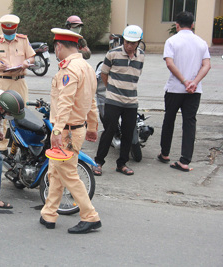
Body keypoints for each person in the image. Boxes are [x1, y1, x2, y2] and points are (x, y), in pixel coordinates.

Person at [40, 28, 101, 234]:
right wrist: (92, 126)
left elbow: (65, 102)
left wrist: (56, 131)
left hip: (66, 131)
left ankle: (90, 216)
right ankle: (49, 213)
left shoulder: (69, 70)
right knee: (55, 172)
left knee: (67, 173)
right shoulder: (87, 67)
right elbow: (92, 102)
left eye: (54, 48)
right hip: (77, 128)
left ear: (59, 46)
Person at [158, 11, 211, 172]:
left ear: (177, 25)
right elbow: (207, 65)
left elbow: (169, 63)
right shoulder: (201, 42)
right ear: (193, 24)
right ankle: (185, 160)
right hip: (194, 91)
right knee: (189, 123)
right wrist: (193, 83)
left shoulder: (172, 41)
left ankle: (165, 153)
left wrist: (184, 81)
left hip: (175, 88)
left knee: (169, 119)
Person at [92, 25, 145, 176]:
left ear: (139, 42)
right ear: (123, 40)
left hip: (131, 101)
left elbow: (137, 74)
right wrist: (111, 89)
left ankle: (122, 164)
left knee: (128, 133)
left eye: (133, 43)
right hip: (113, 100)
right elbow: (104, 74)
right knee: (109, 130)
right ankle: (98, 162)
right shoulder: (112, 54)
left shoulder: (141, 55)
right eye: (127, 42)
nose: (129, 45)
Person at [0, 14, 35, 156]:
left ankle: (19, 144)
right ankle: (1, 146)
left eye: (11, 32)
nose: (9, 35)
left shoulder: (23, 40)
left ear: (16, 29)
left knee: (20, 113)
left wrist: (27, 62)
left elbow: (32, 57)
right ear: (2, 29)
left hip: (19, 81)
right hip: (2, 80)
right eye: (6, 33)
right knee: (1, 112)